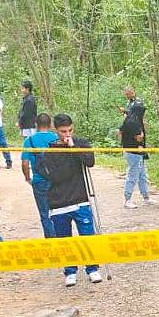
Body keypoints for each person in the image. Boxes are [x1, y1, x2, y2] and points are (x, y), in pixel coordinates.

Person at [41, 113, 103, 287]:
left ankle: (92, 268)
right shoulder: (50, 151)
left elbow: (90, 162)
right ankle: (70, 271)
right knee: (64, 240)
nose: (66, 134)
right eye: (63, 131)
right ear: (56, 130)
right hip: (59, 202)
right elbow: (55, 175)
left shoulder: (80, 143)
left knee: (87, 236)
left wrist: (74, 147)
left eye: (70, 130)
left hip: (80, 199)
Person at [21, 113, 57, 238]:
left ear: (36, 124)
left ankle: (50, 239)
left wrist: (27, 178)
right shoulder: (56, 138)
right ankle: (60, 237)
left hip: (39, 181)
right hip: (56, 180)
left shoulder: (29, 141)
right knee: (58, 210)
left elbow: (25, 163)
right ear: (50, 124)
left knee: (44, 213)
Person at [120, 102, 151, 209]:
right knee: (132, 176)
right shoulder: (133, 122)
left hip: (137, 152)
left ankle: (146, 196)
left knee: (143, 175)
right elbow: (139, 137)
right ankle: (127, 199)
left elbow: (120, 131)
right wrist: (140, 136)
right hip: (133, 153)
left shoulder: (130, 119)